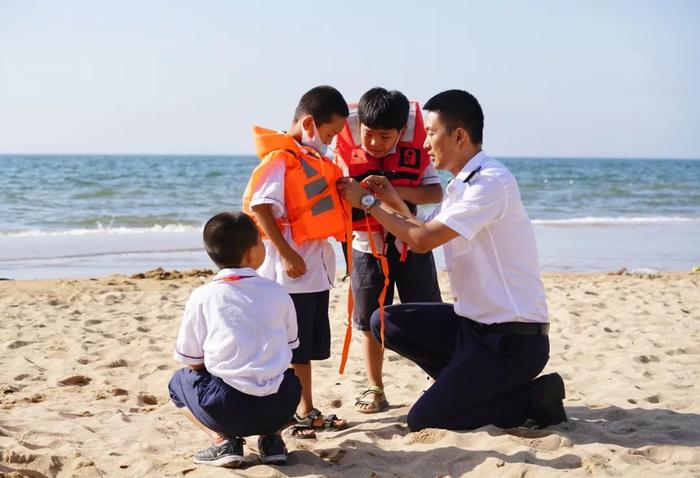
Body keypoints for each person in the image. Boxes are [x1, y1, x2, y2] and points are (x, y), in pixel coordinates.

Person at [337, 89, 567, 431]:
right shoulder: (462, 183)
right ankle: (467, 387)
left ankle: (535, 397)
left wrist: (368, 202)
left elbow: (422, 240)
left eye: (431, 133)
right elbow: (422, 231)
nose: (425, 144)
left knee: (423, 420)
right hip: (471, 328)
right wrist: (391, 199)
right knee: (385, 321)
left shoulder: (490, 182)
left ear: (458, 135)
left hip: (511, 341)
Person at [242, 85, 349, 438]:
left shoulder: (313, 161)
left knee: (305, 349)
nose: (331, 143)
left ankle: (305, 409)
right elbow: (260, 205)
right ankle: (290, 411)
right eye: (330, 134)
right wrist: (286, 255)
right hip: (290, 275)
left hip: (313, 273)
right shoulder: (281, 160)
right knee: (289, 348)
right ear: (308, 124)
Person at [334, 87, 443, 414]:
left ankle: (436, 380)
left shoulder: (417, 150)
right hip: (365, 246)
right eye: (369, 135)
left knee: (425, 313)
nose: (375, 144)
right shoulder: (342, 150)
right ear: (359, 127)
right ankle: (375, 386)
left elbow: (435, 192)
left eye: (385, 137)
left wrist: (393, 191)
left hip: (411, 241)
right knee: (368, 321)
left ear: (401, 132)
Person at [168, 212, 302, 467]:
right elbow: (291, 346)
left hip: (227, 408)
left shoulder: (203, 296)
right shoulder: (278, 292)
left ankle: (222, 440)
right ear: (252, 253)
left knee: (178, 383)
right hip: (279, 405)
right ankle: (272, 438)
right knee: (287, 372)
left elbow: (191, 361)